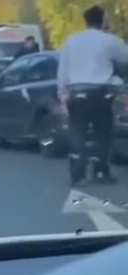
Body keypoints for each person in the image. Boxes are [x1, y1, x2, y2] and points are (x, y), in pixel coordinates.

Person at [58, 5, 128, 186]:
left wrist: (62, 94)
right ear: (103, 20)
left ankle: (77, 175)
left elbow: (63, 70)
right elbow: (125, 58)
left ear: (85, 20)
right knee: (103, 135)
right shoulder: (110, 40)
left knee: (77, 134)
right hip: (100, 94)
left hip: (77, 93)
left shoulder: (71, 41)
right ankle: (100, 172)